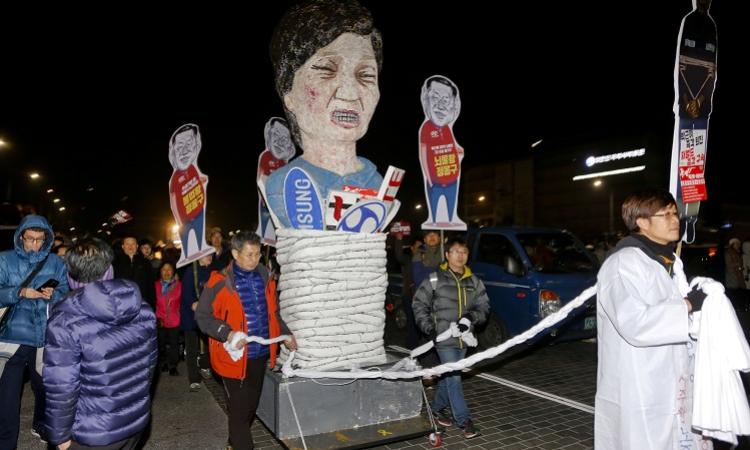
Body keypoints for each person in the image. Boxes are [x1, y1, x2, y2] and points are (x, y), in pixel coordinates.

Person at [595, 188, 711, 449]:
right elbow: (634, 322)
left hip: (671, 377)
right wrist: (687, 305)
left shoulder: (668, 260)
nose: (675, 220)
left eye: (675, 213)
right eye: (665, 215)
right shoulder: (623, 264)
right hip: (640, 381)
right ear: (642, 222)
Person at [264, 0, 384, 228]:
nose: (349, 93)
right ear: (289, 94)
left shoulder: (378, 184)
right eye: (326, 70)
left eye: (366, 75)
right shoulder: (283, 186)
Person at [43, 238, 157, 450]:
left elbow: (62, 387)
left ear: (70, 276)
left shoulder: (64, 322)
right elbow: (148, 369)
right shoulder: (142, 308)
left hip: (91, 433)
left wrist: (59, 436)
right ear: (109, 269)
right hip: (134, 421)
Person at [196, 231, 296, 450]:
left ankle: (234, 442)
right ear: (235, 254)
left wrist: (286, 334)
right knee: (240, 412)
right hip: (232, 358)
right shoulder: (218, 281)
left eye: (258, 254)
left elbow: (273, 314)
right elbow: (202, 316)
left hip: (259, 355)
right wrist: (227, 333)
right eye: (249, 254)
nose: (254, 259)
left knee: (249, 408)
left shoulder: (266, 277)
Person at [0, 215, 69, 447]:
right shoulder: (4, 259)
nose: (34, 244)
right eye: (30, 239)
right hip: (11, 338)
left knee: (47, 391)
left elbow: (65, 292)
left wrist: (54, 295)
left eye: (40, 240)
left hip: (44, 338)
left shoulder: (56, 262)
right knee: (8, 400)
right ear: (21, 237)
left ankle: (41, 425)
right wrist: (20, 292)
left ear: (47, 238)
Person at [412, 237, 489, 440]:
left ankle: (436, 409)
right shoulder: (435, 279)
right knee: (454, 377)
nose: (460, 256)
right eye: (456, 251)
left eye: (464, 252)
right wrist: (429, 328)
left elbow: (484, 307)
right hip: (444, 338)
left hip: (465, 339)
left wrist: (470, 317)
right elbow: (419, 303)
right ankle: (464, 420)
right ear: (447, 255)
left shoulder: (474, 281)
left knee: (448, 376)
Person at [419, 75, 466, 229]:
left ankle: (452, 219)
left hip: (452, 178)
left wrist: (459, 153)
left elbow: (452, 146)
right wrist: (429, 178)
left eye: (446, 100)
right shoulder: (426, 128)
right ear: (426, 100)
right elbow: (423, 154)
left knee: (451, 202)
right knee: (434, 202)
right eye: (435, 98)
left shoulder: (446, 129)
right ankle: (433, 219)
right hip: (435, 181)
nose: (440, 105)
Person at [168, 123, 211, 265]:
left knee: (199, 233)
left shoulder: (193, 169)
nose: (185, 150)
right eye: (180, 145)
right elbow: (173, 200)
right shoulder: (175, 178)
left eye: (189, 144)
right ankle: (185, 255)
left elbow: (197, 180)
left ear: (196, 146)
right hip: (185, 218)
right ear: (173, 151)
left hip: (198, 211)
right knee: (186, 237)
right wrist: (179, 220)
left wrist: (202, 180)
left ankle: (201, 246)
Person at [180, 253, 213, 390]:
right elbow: (186, 291)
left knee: (208, 343)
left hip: (207, 314)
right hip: (191, 315)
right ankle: (193, 378)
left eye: (211, 255)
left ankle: (205, 365)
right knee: (192, 347)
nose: (210, 257)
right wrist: (193, 303)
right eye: (207, 255)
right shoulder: (190, 271)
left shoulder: (212, 271)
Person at [392, 232, 423, 349]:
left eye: (421, 247)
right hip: (409, 296)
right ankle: (412, 347)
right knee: (411, 322)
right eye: (417, 247)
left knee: (423, 321)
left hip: (423, 297)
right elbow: (399, 256)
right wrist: (399, 240)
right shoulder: (408, 259)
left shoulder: (426, 261)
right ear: (412, 248)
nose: (419, 250)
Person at [113, 235, 156, 308]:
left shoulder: (145, 263)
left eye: (133, 244)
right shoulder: (116, 263)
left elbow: (150, 285)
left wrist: (152, 304)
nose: (130, 246)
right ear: (123, 246)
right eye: (127, 244)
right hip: (122, 303)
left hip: (142, 302)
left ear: (137, 246)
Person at [155, 261, 181, 376]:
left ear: (173, 271)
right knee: (161, 344)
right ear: (160, 272)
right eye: (164, 269)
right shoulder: (155, 285)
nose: (166, 272)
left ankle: (173, 365)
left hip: (175, 320)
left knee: (174, 344)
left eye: (169, 269)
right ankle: (163, 362)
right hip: (160, 320)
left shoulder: (179, 285)